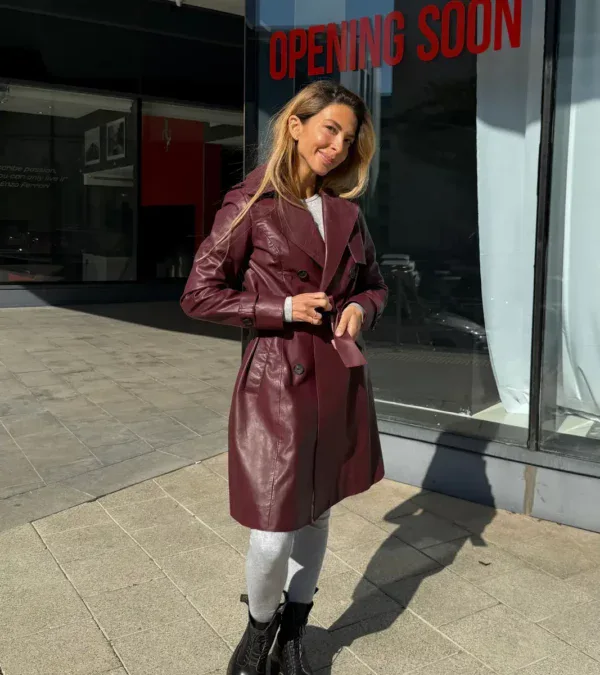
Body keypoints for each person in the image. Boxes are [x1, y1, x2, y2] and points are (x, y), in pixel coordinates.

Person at [181, 80, 388, 675]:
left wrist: (361, 308)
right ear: (296, 126)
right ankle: (259, 628)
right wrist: (281, 308)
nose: (337, 146)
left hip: (337, 377)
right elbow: (198, 295)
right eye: (329, 129)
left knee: (318, 513)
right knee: (273, 530)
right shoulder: (250, 203)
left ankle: (295, 629)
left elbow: (375, 285)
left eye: (348, 138)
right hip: (276, 382)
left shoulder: (347, 213)